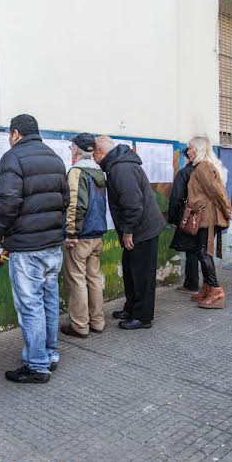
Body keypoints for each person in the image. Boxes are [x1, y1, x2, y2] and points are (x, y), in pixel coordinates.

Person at [0, 114, 69, 383]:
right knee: (49, 302)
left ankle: (37, 365)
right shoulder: (55, 158)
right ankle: (49, 354)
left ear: (15, 134)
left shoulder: (12, 158)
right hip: (52, 247)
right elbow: (65, 201)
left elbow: (8, 202)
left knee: (31, 307)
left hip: (27, 248)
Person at [93, 136, 165, 329]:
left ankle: (142, 317)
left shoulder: (121, 168)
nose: (92, 157)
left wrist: (127, 231)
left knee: (142, 275)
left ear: (100, 151)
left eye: (93, 153)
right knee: (131, 271)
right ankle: (132, 307)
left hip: (143, 230)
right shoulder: (117, 165)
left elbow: (133, 204)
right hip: (138, 228)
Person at [60, 133, 108, 339]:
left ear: (77, 151)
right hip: (97, 233)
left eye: (71, 148)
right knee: (94, 278)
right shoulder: (99, 172)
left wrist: (71, 232)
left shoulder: (76, 172)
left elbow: (75, 205)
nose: (71, 152)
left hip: (80, 236)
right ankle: (97, 321)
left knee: (77, 280)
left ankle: (80, 325)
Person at [184, 137, 232, 309]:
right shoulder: (199, 166)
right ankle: (207, 288)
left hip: (207, 216)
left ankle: (216, 290)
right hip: (203, 215)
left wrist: (227, 210)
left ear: (198, 150)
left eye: (190, 148)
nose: (187, 151)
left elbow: (217, 191)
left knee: (204, 252)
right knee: (201, 251)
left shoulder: (203, 166)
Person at [169, 147, 200, 294]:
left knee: (191, 250)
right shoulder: (205, 171)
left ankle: (191, 284)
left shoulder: (184, 173)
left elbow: (176, 196)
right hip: (205, 216)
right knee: (202, 250)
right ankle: (208, 285)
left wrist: (172, 217)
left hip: (189, 215)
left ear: (188, 157)